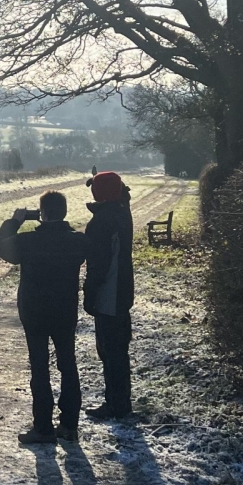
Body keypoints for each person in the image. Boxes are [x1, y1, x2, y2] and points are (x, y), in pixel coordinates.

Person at [0, 190, 89, 445]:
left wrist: (15, 221)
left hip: (34, 312)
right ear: (64, 212)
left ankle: (43, 427)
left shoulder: (27, 241)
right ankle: (69, 425)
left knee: (40, 366)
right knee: (68, 364)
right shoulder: (77, 241)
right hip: (65, 310)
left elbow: (0, 244)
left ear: (42, 213)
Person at [83, 171, 135, 420]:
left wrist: (89, 292)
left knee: (110, 350)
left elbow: (98, 264)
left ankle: (115, 403)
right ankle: (120, 401)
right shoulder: (122, 213)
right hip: (122, 290)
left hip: (108, 294)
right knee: (119, 350)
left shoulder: (102, 222)